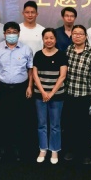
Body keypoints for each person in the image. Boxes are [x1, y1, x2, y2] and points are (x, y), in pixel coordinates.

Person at [0, 22, 34, 162]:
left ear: (19, 33)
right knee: (2, 119)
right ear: (4, 34)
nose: (11, 35)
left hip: (20, 89)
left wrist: (30, 86)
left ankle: (17, 148)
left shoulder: (26, 49)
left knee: (19, 119)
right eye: (8, 32)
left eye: (14, 32)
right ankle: (2, 147)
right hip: (2, 88)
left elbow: (30, 69)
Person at [63, 25, 91, 165]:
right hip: (69, 94)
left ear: (86, 36)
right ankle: (71, 150)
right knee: (70, 125)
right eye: (75, 33)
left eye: (80, 34)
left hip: (85, 96)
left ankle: (86, 153)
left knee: (85, 126)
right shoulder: (69, 50)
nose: (77, 36)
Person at [32, 28, 67, 164]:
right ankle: (43, 149)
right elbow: (35, 75)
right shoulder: (38, 54)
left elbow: (62, 76)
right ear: (43, 39)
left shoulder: (61, 55)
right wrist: (43, 92)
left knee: (55, 124)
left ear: (55, 39)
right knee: (41, 124)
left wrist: (51, 93)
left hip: (56, 95)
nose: (49, 40)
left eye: (51, 38)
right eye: (46, 38)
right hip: (40, 95)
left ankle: (54, 149)